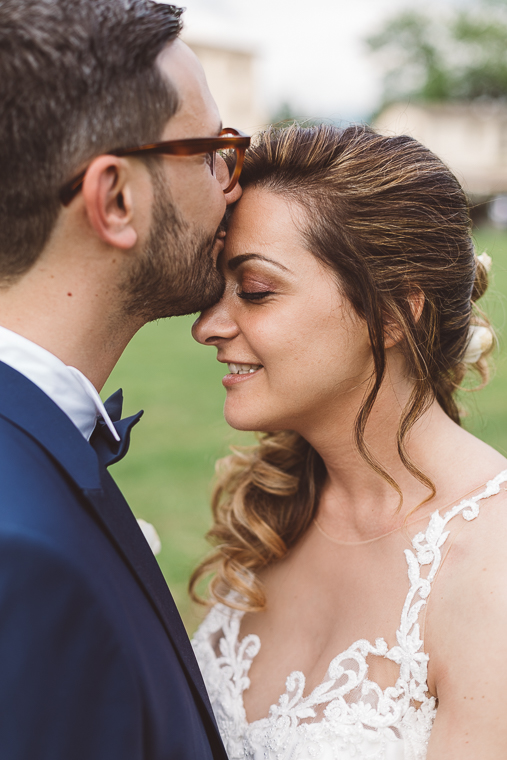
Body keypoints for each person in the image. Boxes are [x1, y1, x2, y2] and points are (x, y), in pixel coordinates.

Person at [191, 123, 507, 759]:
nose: (208, 326)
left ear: (392, 311)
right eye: (216, 289)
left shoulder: (491, 567)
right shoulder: (277, 511)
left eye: (254, 291)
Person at [0, 1, 248, 757]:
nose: (234, 185)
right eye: (210, 152)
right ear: (114, 199)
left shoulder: (39, 450)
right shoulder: (24, 556)